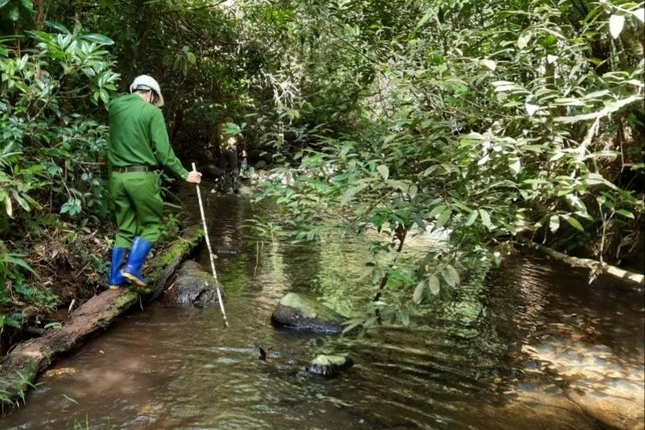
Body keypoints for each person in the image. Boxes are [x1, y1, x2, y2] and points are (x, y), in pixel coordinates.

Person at [107, 74, 202, 289]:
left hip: (116, 178)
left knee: (125, 228)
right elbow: (163, 152)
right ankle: (132, 268)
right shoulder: (152, 113)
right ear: (150, 94)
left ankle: (114, 278)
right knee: (151, 224)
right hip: (141, 176)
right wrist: (185, 174)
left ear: (134, 90)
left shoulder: (114, 107)